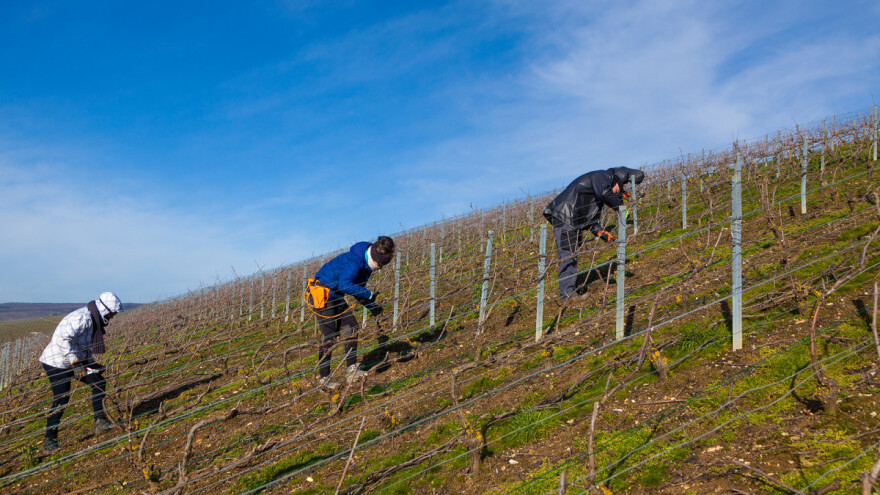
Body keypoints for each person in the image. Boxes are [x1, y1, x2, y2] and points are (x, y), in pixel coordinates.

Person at [543, 167, 645, 302]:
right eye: (620, 189)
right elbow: (605, 193)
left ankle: (569, 292)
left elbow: (589, 217)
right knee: (568, 256)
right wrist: (621, 209)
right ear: (618, 181)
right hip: (565, 217)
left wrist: (600, 232)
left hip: (571, 219)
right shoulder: (602, 176)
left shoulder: (597, 190)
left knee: (571, 255)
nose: (619, 192)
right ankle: (568, 295)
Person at [38, 291, 123, 453]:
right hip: (57, 363)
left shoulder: (93, 320)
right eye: (112, 314)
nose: (112, 318)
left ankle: (100, 421)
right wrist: (76, 363)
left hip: (75, 362)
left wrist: (92, 364)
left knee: (98, 381)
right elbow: (61, 339)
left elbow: (82, 346)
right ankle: (49, 440)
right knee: (61, 398)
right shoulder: (82, 318)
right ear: (105, 310)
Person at [309, 236, 394, 389]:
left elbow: (356, 289)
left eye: (384, 264)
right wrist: (368, 293)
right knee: (330, 337)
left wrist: (371, 306)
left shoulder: (366, 264)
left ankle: (351, 370)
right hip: (322, 295)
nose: (381, 267)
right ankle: (324, 380)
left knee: (352, 327)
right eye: (380, 263)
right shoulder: (354, 262)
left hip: (335, 295)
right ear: (374, 257)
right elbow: (345, 285)